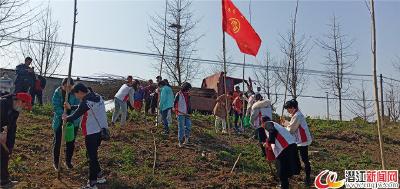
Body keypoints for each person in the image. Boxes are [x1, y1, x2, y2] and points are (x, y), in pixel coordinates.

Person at [62, 83, 108, 189]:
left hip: (92, 133)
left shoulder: (86, 102)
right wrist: (71, 107)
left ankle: (92, 184)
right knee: (91, 154)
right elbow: (83, 108)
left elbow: (76, 115)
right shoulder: (97, 96)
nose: (76, 97)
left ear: (80, 92)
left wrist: (66, 118)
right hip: (101, 131)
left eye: (76, 95)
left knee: (92, 158)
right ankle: (99, 176)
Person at [0, 93, 32, 187]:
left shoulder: (15, 111)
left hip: (2, 134)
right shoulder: (2, 104)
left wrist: (10, 146)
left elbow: (12, 129)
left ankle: (4, 181)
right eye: (25, 105)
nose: (25, 108)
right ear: (19, 101)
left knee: (4, 155)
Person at [261, 116, 300, 189]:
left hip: (284, 148)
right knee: (287, 170)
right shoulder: (277, 125)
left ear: (263, 122)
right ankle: (285, 185)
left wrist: (269, 142)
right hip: (292, 145)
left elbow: (272, 131)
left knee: (281, 171)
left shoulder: (268, 124)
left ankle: (283, 186)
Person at [51, 78, 81, 170]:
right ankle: (56, 162)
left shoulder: (76, 93)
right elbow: (55, 105)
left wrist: (70, 115)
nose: (67, 88)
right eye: (65, 86)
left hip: (72, 121)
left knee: (70, 142)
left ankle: (68, 161)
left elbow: (78, 106)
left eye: (69, 87)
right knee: (58, 142)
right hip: (60, 120)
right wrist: (62, 114)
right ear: (62, 85)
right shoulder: (58, 92)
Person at [282, 99, 313, 186]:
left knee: (304, 159)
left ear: (293, 108)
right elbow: (292, 125)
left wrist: (283, 127)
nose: (287, 111)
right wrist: (285, 123)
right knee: (298, 158)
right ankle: (297, 172)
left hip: (302, 140)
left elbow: (291, 129)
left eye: (288, 109)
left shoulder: (297, 116)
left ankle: (307, 177)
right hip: (298, 140)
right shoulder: (295, 114)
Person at [174, 82, 192, 147]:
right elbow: (174, 103)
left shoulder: (188, 95)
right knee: (181, 128)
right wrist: (175, 110)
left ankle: (186, 140)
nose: (189, 90)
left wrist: (190, 112)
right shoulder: (178, 94)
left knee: (188, 126)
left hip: (187, 114)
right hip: (180, 114)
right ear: (185, 88)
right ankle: (180, 142)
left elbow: (189, 104)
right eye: (188, 89)